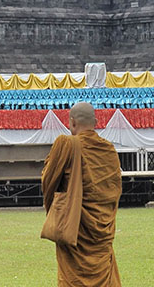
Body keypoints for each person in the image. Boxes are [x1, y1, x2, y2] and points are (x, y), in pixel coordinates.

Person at [41, 102, 122, 286]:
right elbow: (114, 191)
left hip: (75, 229)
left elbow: (48, 180)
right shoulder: (109, 150)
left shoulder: (66, 145)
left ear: (72, 122)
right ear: (96, 123)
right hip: (101, 231)